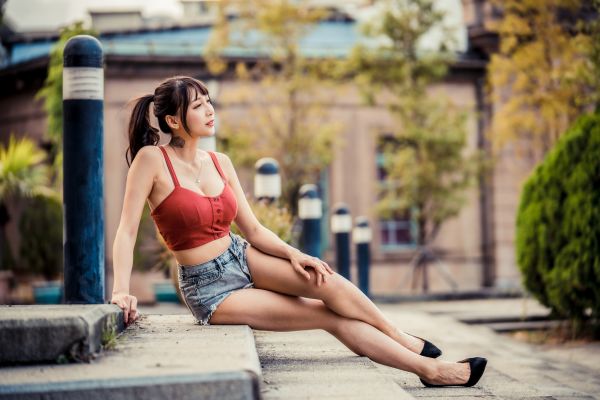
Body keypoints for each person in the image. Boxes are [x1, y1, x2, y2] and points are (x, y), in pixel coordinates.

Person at [110, 75, 487, 388]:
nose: (210, 111)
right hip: (209, 287)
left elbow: (254, 229)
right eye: (198, 106)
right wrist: (121, 292)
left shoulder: (219, 161)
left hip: (241, 254)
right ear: (174, 120)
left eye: (209, 101)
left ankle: (398, 336)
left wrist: (295, 254)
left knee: (326, 280)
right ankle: (432, 371)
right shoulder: (151, 160)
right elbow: (126, 230)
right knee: (327, 315)